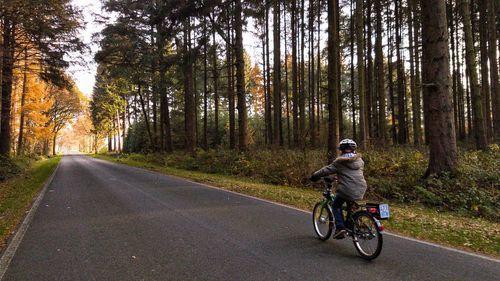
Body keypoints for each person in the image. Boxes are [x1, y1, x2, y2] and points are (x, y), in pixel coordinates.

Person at [310, 139, 367, 239]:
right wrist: (340, 176)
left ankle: (340, 228)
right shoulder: (360, 161)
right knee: (350, 205)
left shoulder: (339, 162)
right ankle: (351, 224)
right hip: (361, 188)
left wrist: (314, 175)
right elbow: (351, 173)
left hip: (347, 189)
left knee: (336, 206)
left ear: (341, 150)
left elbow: (326, 170)